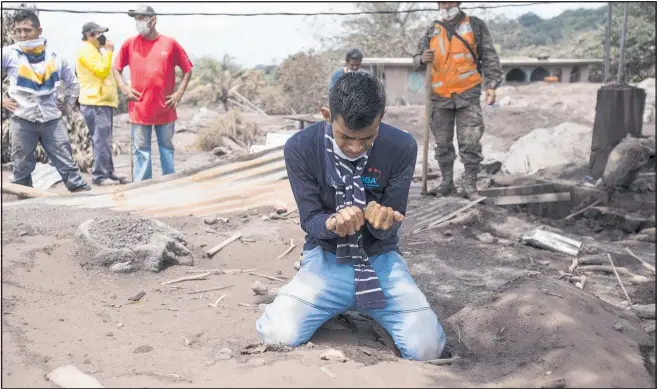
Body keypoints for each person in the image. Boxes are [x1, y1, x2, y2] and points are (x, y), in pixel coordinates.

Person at [256, 71, 446, 361]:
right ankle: (335, 302)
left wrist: (382, 223)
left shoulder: (401, 147)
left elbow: (391, 225)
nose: (356, 147)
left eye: (368, 138)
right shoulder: (301, 148)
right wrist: (332, 224)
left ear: (382, 116)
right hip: (326, 258)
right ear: (326, 115)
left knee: (427, 349)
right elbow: (310, 221)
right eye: (345, 136)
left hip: (379, 260)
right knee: (276, 335)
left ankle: (353, 305)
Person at [412, 2, 504, 199]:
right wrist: (421, 59)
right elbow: (416, 60)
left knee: (470, 142)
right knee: (442, 143)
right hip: (439, 97)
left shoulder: (475, 26)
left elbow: (489, 57)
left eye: (450, 1)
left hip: (467, 95)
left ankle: (470, 186)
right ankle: (447, 183)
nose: (445, 5)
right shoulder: (431, 29)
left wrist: (492, 85)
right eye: (442, 2)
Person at [1, 10, 91, 192]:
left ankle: (80, 192)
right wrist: (2, 100)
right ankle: (24, 199)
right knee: (22, 164)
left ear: (39, 30)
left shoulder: (55, 58)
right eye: (17, 31)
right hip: (22, 118)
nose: (22, 35)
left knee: (65, 158)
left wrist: (66, 105)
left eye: (27, 30)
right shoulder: (9, 53)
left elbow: (73, 83)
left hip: (52, 119)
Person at [111, 4, 193, 182]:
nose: (138, 23)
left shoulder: (169, 43)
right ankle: (142, 187)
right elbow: (115, 68)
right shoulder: (130, 44)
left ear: (153, 20)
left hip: (165, 108)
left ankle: (170, 183)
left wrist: (179, 93)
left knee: (166, 149)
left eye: (141, 18)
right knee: (142, 151)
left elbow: (188, 68)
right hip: (140, 109)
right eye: (136, 20)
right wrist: (124, 88)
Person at [76, 21, 126, 186]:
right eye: (98, 33)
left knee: (105, 140)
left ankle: (108, 173)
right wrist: (109, 51)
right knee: (101, 141)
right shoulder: (86, 51)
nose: (102, 37)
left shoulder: (95, 51)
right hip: (95, 103)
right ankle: (100, 176)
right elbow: (102, 71)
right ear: (90, 35)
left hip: (102, 103)